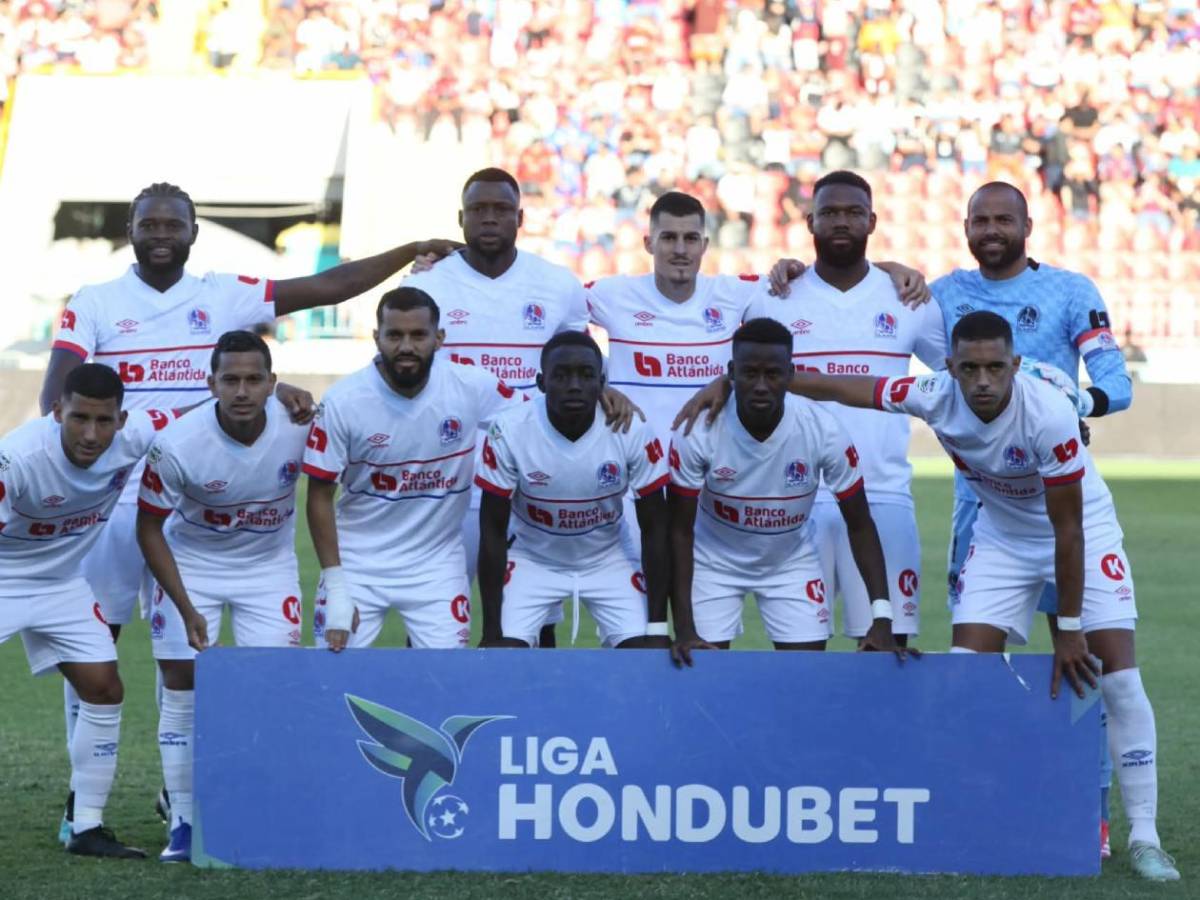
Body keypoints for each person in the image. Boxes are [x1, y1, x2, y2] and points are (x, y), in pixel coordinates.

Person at [38, 181, 459, 820]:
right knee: (97, 649)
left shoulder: (222, 293)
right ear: (130, 231)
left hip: (193, 504)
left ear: (193, 232)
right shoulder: (95, 301)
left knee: (179, 654)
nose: (160, 235)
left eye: (172, 224)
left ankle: (176, 794)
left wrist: (407, 250)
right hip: (115, 502)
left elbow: (329, 286)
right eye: (148, 224)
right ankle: (83, 800)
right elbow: (56, 397)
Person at [780, 311, 1178, 883]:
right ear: (950, 367)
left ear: (1015, 365)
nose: (983, 380)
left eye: (995, 367)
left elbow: (1068, 531)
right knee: (966, 678)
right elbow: (851, 388)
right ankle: (979, 819)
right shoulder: (933, 395)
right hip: (1002, 540)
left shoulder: (1048, 413)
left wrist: (1068, 629)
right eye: (970, 368)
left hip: (1082, 533)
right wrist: (760, 379)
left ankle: (1144, 837)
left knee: (1118, 679)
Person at [584, 188, 927, 558]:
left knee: (702, 593)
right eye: (668, 238)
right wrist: (599, 383)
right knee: (637, 592)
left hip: (709, 488)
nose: (680, 249)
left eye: (690, 238)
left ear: (705, 245)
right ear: (649, 243)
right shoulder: (612, 294)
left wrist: (893, 269)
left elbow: (824, 274)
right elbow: (557, 317)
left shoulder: (737, 293)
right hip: (636, 483)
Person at [403, 168, 639, 646]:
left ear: (521, 218)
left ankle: (535, 693)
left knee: (533, 614)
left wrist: (605, 388)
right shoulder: (430, 285)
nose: (490, 218)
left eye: (501, 209)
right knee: (435, 613)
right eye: (478, 209)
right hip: (450, 473)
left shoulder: (557, 284)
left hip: (533, 474)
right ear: (460, 218)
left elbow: (579, 359)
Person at [742, 170, 946, 646]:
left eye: (854, 212)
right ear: (809, 221)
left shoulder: (908, 298)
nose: (841, 222)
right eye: (829, 212)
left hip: (884, 494)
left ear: (872, 221)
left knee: (887, 651)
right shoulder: (774, 297)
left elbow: (958, 377)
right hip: (796, 499)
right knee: (799, 655)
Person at [134, 330, 310, 863]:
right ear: (210, 383)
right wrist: (185, 607)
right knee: (182, 684)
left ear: (272, 383)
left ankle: (258, 808)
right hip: (191, 568)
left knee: (271, 685)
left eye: (254, 379)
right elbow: (148, 529)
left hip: (267, 568)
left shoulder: (301, 424)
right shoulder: (177, 443)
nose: (242, 391)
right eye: (230, 380)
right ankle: (184, 821)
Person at [0, 364, 180, 858]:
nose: (91, 434)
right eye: (79, 418)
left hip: (62, 584)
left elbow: (203, 410)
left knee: (103, 688)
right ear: (57, 411)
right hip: (4, 577)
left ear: (122, 419)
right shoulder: (18, 458)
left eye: (104, 421)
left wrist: (283, 396)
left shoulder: (136, 434)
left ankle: (85, 826)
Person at [303, 287, 524, 651]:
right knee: (332, 672)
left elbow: (536, 415)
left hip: (436, 566)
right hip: (358, 564)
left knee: (443, 676)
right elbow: (319, 496)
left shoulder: (471, 385)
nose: (406, 346)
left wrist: (602, 396)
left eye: (418, 335)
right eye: (394, 335)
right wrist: (337, 585)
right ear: (377, 337)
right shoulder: (344, 400)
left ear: (439, 338)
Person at [667, 318, 900, 662]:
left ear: (791, 374)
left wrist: (882, 618)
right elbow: (679, 531)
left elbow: (860, 524)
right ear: (731, 373)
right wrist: (684, 628)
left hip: (790, 562)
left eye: (773, 374)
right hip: (712, 562)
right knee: (703, 673)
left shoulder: (824, 430)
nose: (761, 385)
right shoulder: (698, 433)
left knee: (803, 676)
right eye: (750, 373)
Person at [474, 331, 670, 649]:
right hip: (533, 558)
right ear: (541, 382)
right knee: (504, 654)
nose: (574, 385)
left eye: (586, 375)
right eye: (561, 376)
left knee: (642, 655)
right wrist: (491, 631)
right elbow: (493, 529)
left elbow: (655, 528)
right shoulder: (509, 430)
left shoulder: (631, 428)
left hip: (608, 557)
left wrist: (658, 629)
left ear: (602, 382)